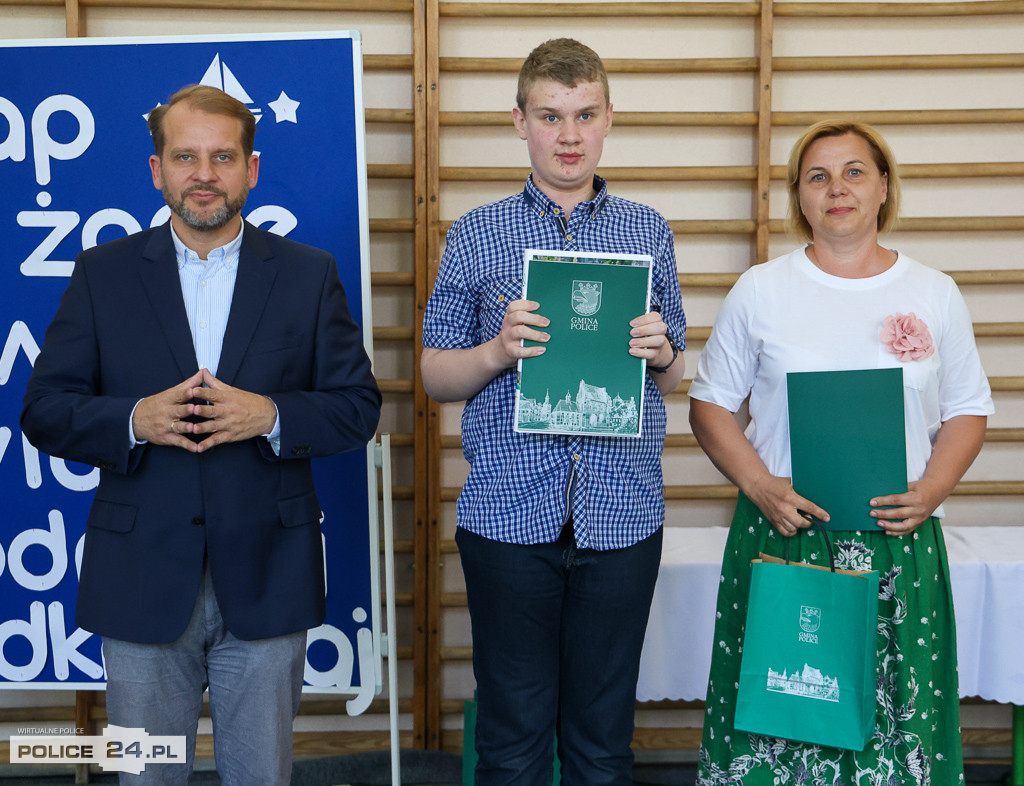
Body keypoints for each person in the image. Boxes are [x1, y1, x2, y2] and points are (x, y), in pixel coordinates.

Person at [21, 84, 381, 785]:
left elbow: (356, 406)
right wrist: (133, 419)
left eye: (222, 157)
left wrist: (270, 416)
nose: (204, 174)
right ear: (157, 170)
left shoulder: (309, 276)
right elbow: (44, 407)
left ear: (251, 167)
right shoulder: (103, 275)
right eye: (185, 156)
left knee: (260, 776)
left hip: (269, 578)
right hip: (141, 581)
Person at [689, 120, 993, 784]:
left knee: (892, 736)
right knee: (779, 724)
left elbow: (969, 409)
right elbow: (709, 405)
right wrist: (760, 484)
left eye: (855, 171)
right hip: (785, 533)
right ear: (798, 196)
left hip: (898, 540)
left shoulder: (934, 291)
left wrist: (933, 489)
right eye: (817, 176)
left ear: (884, 185)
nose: (838, 189)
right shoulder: (761, 290)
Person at [421, 38, 686, 785]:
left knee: (603, 739)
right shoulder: (476, 233)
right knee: (511, 736)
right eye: (550, 116)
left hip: (623, 514)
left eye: (584, 115)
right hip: (507, 516)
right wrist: (498, 352)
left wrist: (662, 354)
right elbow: (435, 375)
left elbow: (674, 376)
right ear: (519, 121)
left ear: (608, 120)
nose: (568, 135)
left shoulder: (648, 231)